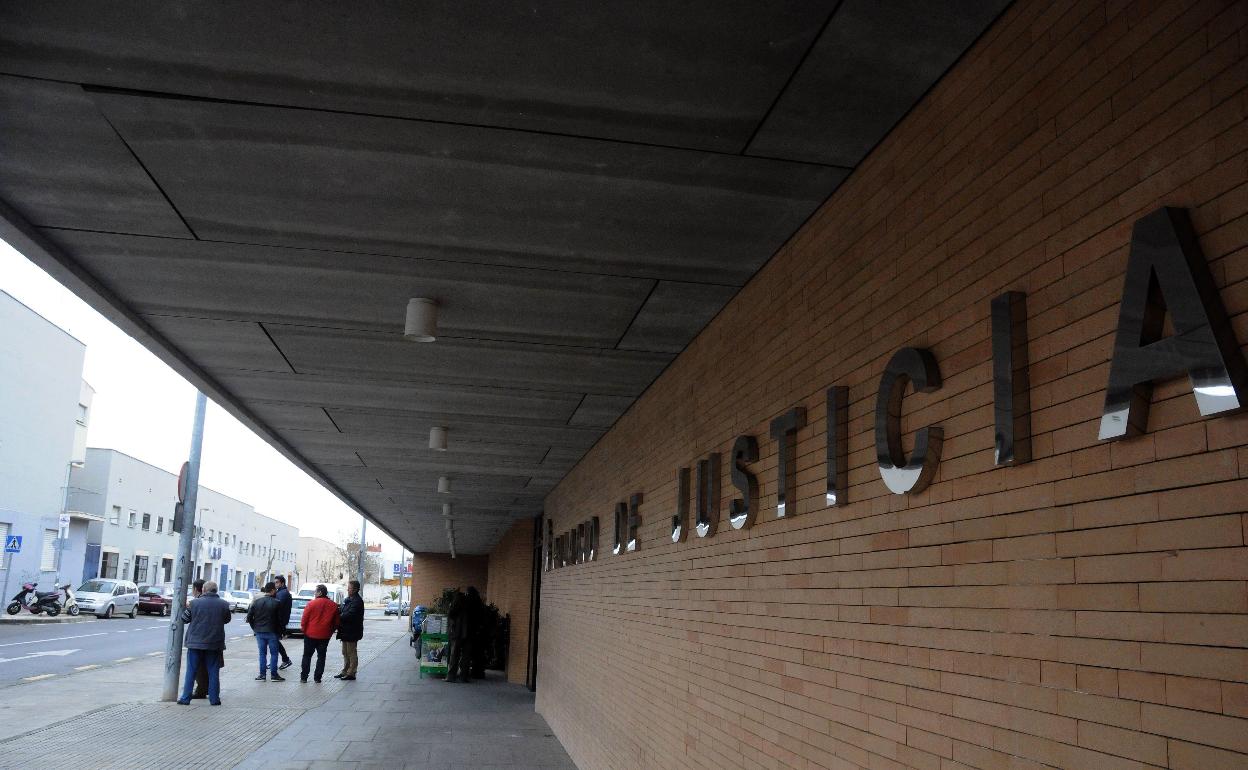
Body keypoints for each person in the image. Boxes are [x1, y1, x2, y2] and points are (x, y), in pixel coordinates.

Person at [176, 580, 231, 706]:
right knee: (213, 671)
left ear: (204, 590)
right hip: (214, 643)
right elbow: (227, 620)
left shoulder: (194, 603)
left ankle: (185, 698)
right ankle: (214, 699)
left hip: (195, 643)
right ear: (216, 591)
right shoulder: (224, 604)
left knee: (191, 671)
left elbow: (184, 619)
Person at [299, 584, 339, 683]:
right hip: (325, 635)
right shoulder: (333, 605)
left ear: (320, 592)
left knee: (307, 656)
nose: (314, 593)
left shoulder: (311, 604)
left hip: (310, 634)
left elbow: (304, 619)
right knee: (321, 657)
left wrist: (304, 630)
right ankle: (318, 678)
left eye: (315, 591)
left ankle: (304, 677)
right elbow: (336, 622)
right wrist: (330, 631)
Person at [246, 581, 284, 681]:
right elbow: (280, 620)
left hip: (259, 632)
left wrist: (254, 628)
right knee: (274, 654)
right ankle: (274, 675)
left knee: (262, 654)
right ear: (272, 590)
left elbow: (249, 617)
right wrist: (281, 632)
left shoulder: (257, 602)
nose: (276, 591)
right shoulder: (277, 603)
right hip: (272, 632)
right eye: (275, 589)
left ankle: (262, 675)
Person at [445, 586, 481, 683]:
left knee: (454, 654)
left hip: (458, 632)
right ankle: (463, 677)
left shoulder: (459, 600)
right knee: (466, 656)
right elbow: (479, 618)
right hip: (470, 633)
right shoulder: (476, 602)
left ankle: (451, 676)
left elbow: (450, 613)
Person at [334, 579, 364, 681]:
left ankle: (352, 673)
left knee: (351, 652)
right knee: (345, 652)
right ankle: (345, 671)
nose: (348, 589)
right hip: (345, 631)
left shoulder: (357, 601)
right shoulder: (348, 599)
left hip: (352, 631)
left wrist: (339, 616)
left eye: (350, 588)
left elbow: (349, 615)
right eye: (348, 587)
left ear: (355, 589)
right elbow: (342, 609)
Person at [273, 576, 294, 670]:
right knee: (274, 642)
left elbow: (277, 608)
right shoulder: (281, 592)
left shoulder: (282, 593)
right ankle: (282, 660)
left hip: (278, 622)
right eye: (275, 582)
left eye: (277, 582)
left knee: (274, 642)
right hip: (279, 621)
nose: (275, 584)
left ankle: (285, 659)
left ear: (282, 583)